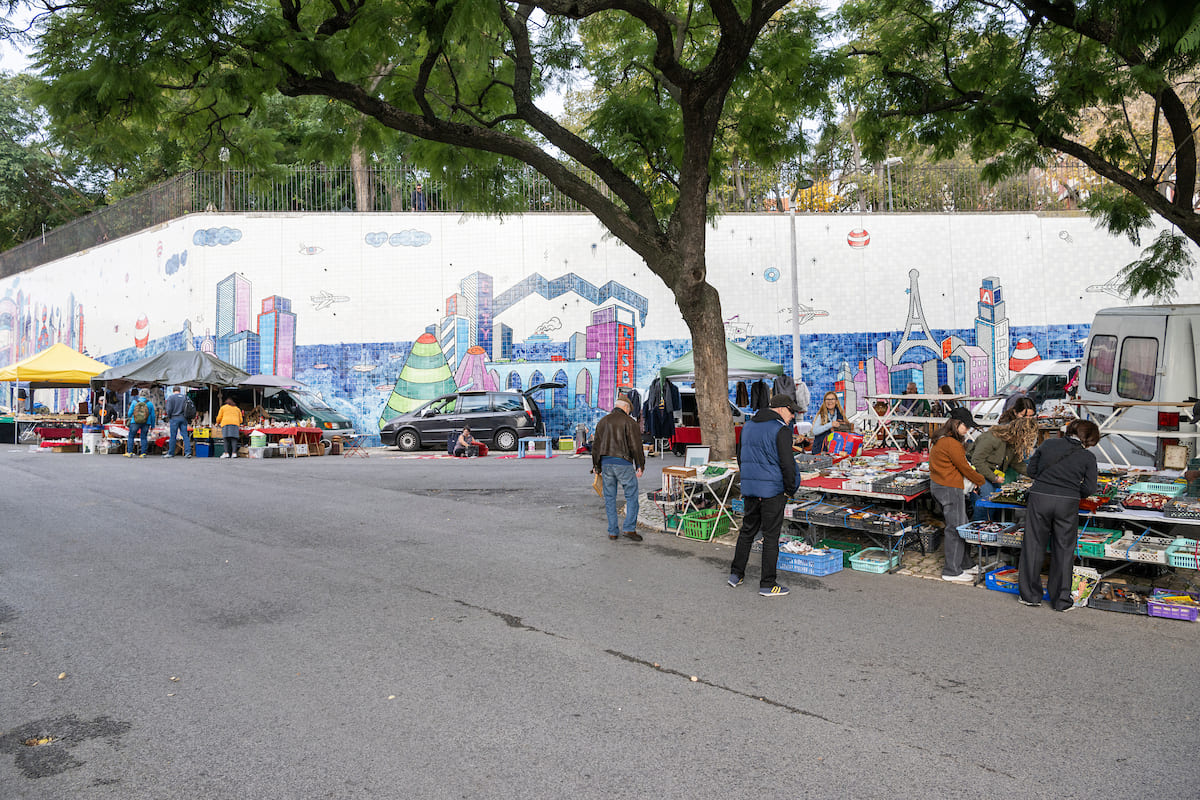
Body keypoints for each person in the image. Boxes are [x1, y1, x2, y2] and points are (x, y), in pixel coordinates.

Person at [1018, 419, 1100, 610]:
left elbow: (1031, 470)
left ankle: (1030, 596)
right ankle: (1061, 601)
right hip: (1067, 503)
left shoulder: (1048, 444)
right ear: (1088, 439)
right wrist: (1071, 491)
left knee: (1033, 545)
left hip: (1039, 499)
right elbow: (1090, 488)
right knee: (1064, 549)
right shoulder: (1087, 457)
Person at [728, 394, 800, 597]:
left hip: (751, 489)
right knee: (770, 537)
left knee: (747, 531)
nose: (792, 416)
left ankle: (736, 574)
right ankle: (768, 584)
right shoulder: (780, 429)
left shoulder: (748, 426)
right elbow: (788, 464)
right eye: (791, 411)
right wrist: (789, 489)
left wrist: (749, 483)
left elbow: (741, 458)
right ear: (780, 409)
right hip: (772, 491)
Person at [930, 407, 987, 582]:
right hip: (950, 488)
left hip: (941, 486)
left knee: (961, 525)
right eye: (966, 426)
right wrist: (980, 480)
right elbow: (964, 467)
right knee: (955, 529)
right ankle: (951, 571)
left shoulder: (941, 440)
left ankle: (965, 564)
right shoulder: (951, 443)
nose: (967, 429)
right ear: (957, 424)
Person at [591, 397, 646, 541]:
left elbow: (596, 446)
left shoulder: (603, 421)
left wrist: (596, 466)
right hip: (624, 463)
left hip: (606, 464)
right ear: (626, 408)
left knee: (609, 498)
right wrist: (640, 465)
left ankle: (613, 531)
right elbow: (635, 446)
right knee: (632, 496)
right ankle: (628, 529)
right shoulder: (630, 422)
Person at [969, 413, 1038, 520]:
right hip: (978, 473)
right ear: (1020, 434)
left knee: (997, 505)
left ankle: (993, 529)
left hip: (992, 474)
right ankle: (979, 531)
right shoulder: (991, 439)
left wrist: (1036, 474)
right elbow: (977, 460)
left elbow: (1016, 463)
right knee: (986, 505)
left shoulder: (1012, 442)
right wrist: (994, 478)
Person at [124, 388, 156, 458]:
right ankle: (143, 453)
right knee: (144, 437)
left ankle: (129, 452)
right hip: (146, 422)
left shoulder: (134, 402)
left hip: (135, 421)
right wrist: (153, 425)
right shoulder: (150, 403)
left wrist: (129, 417)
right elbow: (153, 415)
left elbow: (129, 413)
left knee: (131, 436)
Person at [163, 386, 193, 459]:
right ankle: (188, 452)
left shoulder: (171, 398)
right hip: (183, 418)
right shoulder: (185, 397)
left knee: (173, 436)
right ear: (180, 390)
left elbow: (169, 409)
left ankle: (171, 453)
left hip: (174, 418)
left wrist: (169, 416)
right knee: (185, 435)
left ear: (173, 391)